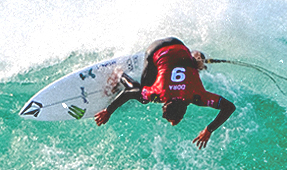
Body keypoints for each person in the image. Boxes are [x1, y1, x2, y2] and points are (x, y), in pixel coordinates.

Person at [94, 36, 236, 148]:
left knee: (195, 67)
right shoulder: (159, 93)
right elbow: (131, 92)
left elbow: (229, 107)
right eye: (174, 120)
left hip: (180, 45)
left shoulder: (197, 95)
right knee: (142, 95)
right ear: (165, 103)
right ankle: (119, 74)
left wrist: (210, 129)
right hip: (155, 50)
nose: (173, 124)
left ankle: (196, 56)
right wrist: (108, 111)